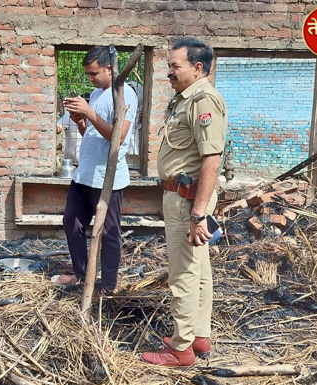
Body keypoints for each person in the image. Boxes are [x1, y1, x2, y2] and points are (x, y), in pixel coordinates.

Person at [141, 37, 227, 366]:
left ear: (198, 67)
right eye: (169, 67)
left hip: (187, 201)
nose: (169, 73)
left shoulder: (204, 101)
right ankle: (198, 336)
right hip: (183, 197)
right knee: (199, 271)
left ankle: (181, 349)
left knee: (183, 275)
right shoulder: (185, 99)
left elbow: (211, 161)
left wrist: (197, 216)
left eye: (175, 66)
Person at [57, 45, 138, 294]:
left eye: (94, 73)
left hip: (107, 177)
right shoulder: (95, 94)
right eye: (89, 74)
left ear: (109, 68)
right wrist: (81, 121)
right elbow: (90, 134)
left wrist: (90, 113)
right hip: (84, 174)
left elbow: (119, 137)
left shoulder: (125, 95)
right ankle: (82, 275)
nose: (91, 78)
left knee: (109, 232)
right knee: (71, 222)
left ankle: (109, 285)